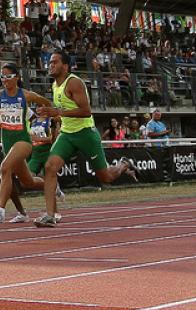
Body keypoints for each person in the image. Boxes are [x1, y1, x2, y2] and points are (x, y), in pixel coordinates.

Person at [33, 50, 137, 227]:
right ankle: (50, 215)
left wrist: (57, 112)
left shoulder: (74, 83)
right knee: (50, 167)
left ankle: (124, 164)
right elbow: (64, 112)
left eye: (54, 62)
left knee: (105, 177)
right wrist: (51, 116)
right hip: (67, 134)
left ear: (65, 66)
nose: (50, 65)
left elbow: (85, 111)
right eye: (49, 62)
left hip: (86, 133)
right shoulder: (54, 85)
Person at [0, 63, 52, 224]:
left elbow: (45, 102)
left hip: (23, 141)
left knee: (4, 168)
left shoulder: (26, 95)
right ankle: (51, 187)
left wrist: (48, 112)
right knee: (27, 181)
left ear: (17, 78)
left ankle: (0, 211)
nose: (4, 80)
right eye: (2, 76)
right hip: (7, 143)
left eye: (8, 76)